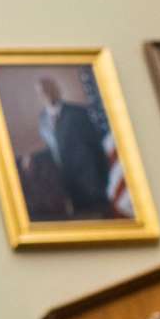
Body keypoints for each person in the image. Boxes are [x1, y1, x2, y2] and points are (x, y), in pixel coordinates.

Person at [35, 77, 113, 219]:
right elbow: (53, 148)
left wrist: (103, 182)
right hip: (68, 186)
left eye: (51, 89)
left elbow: (97, 148)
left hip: (91, 183)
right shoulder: (42, 120)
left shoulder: (78, 113)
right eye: (43, 91)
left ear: (58, 90)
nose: (48, 94)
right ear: (39, 95)